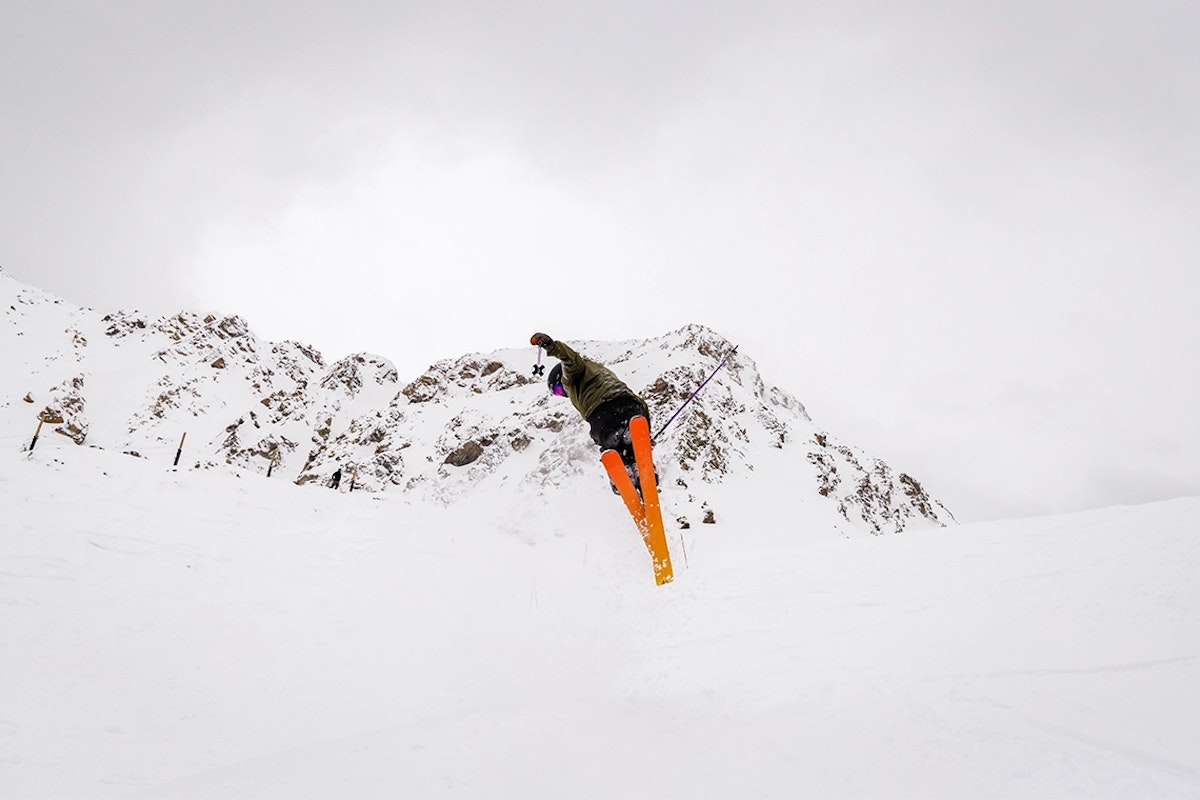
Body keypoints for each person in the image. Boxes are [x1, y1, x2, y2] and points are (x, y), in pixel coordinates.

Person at [531, 332, 652, 489]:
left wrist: (551, 346)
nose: (565, 394)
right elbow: (641, 405)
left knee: (610, 445)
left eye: (559, 390)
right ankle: (638, 472)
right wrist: (646, 432)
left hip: (602, 414)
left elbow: (570, 360)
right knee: (629, 449)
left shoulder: (572, 375)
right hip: (631, 406)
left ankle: (623, 476)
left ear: (561, 378)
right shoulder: (603, 372)